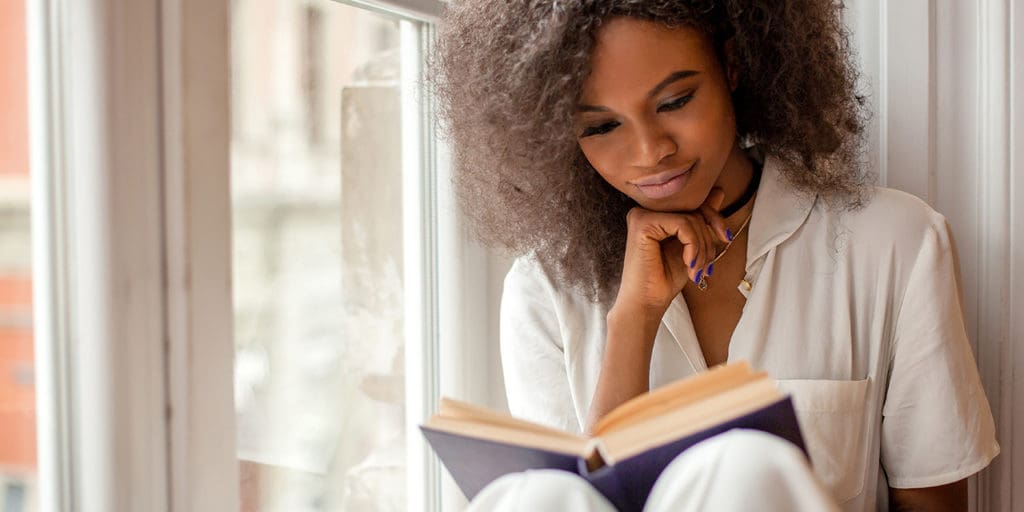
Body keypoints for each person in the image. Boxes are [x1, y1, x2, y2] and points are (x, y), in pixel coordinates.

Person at [432, 1, 999, 511]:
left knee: (742, 470)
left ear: (731, 67)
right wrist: (634, 318)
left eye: (675, 100)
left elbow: (933, 501)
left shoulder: (893, 242)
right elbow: (577, 501)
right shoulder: (543, 290)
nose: (651, 152)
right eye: (602, 126)